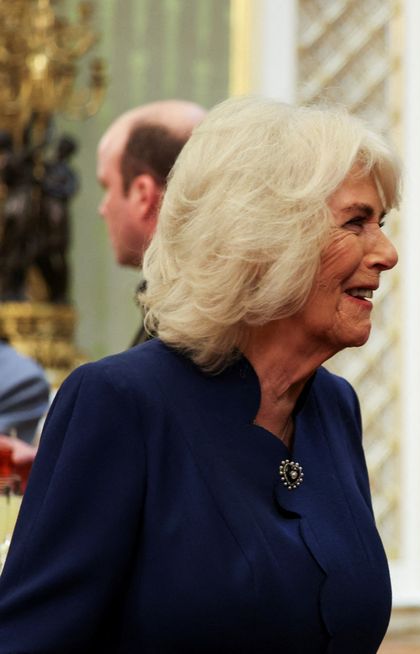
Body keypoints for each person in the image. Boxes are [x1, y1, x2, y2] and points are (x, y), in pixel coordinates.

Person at [0, 96, 399, 652]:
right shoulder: (118, 402)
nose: (387, 252)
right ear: (263, 240)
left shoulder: (334, 406)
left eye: (381, 222)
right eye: (356, 222)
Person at [96, 99, 207, 346]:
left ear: (143, 195)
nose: (102, 209)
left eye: (107, 187)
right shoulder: (223, 307)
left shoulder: (184, 328)